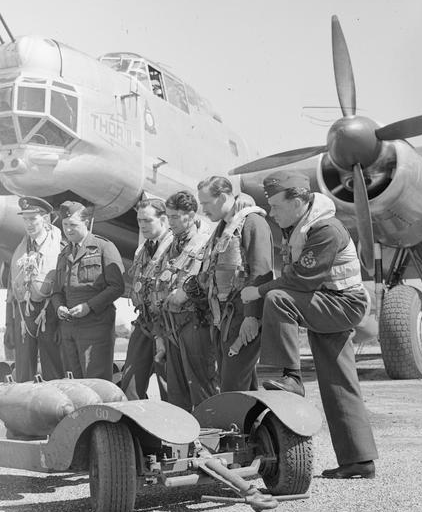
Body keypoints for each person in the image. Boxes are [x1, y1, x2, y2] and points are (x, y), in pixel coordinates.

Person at [240, 170, 378, 479]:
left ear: (300, 200)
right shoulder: (298, 226)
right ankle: (359, 460)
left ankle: (289, 376)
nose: (272, 213)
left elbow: (301, 279)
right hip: (326, 302)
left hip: (341, 304)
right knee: (339, 383)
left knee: (278, 298)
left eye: (276, 206)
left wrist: (258, 291)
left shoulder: (326, 229)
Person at [194, 176, 274, 392]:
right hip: (224, 320)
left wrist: (252, 316)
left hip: (241, 317)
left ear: (221, 197)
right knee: (238, 383)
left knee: (232, 385)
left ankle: (236, 425)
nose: (203, 209)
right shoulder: (223, 229)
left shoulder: (252, 222)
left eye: (206, 203)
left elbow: (260, 271)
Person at [154, 190, 215, 411]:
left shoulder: (206, 241)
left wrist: (186, 293)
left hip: (195, 322)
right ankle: (184, 443)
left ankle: (210, 438)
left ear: (191, 215)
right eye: (168, 217)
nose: (170, 222)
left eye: (175, 217)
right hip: (171, 326)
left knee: (201, 386)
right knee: (177, 390)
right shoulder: (170, 244)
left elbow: (210, 277)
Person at [52, 201, 124, 380]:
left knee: (96, 380)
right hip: (69, 329)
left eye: (73, 225)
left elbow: (117, 286)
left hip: (95, 327)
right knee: (73, 383)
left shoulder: (104, 247)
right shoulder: (63, 254)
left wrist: (89, 306)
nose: (68, 230)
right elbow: (56, 291)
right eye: (65, 225)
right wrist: (59, 307)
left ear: (87, 223)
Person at [5, 197, 64, 382]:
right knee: (24, 371)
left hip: (50, 313)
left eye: (33, 219)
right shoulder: (19, 251)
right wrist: (8, 325)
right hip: (24, 317)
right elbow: (10, 292)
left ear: (45, 219)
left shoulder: (60, 247)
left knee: (54, 367)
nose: (29, 224)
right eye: (25, 219)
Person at [119, 198, 172, 400]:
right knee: (130, 384)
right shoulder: (141, 250)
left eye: (147, 220)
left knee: (168, 385)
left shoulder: (176, 247)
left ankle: (175, 430)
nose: (142, 225)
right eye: (139, 220)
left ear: (163, 219)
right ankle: (137, 429)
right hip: (144, 323)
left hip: (168, 325)